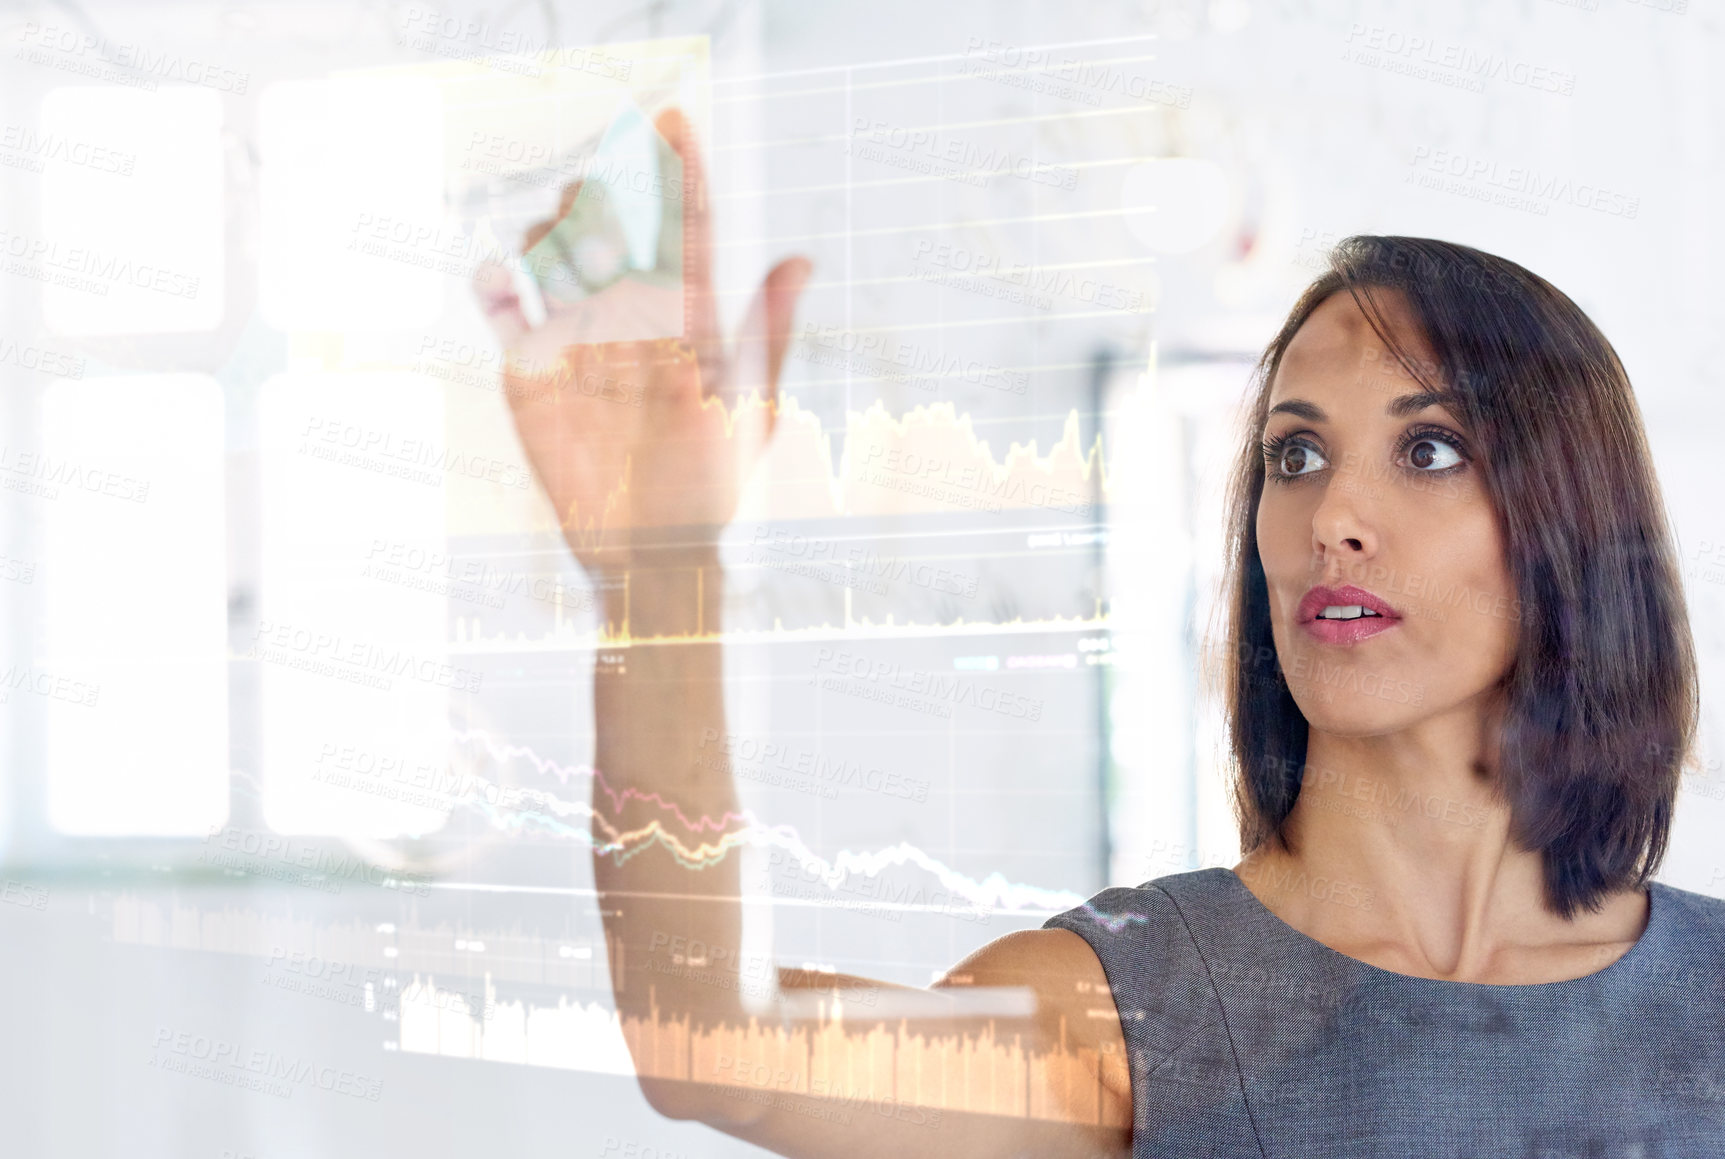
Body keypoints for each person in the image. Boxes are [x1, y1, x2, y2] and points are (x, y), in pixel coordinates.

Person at [475, 110, 1725, 1157]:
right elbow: (712, 1043)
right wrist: (660, 568)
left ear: (1571, 520)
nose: (1333, 515)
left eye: (1431, 448)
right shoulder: (1144, 1007)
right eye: (1296, 455)